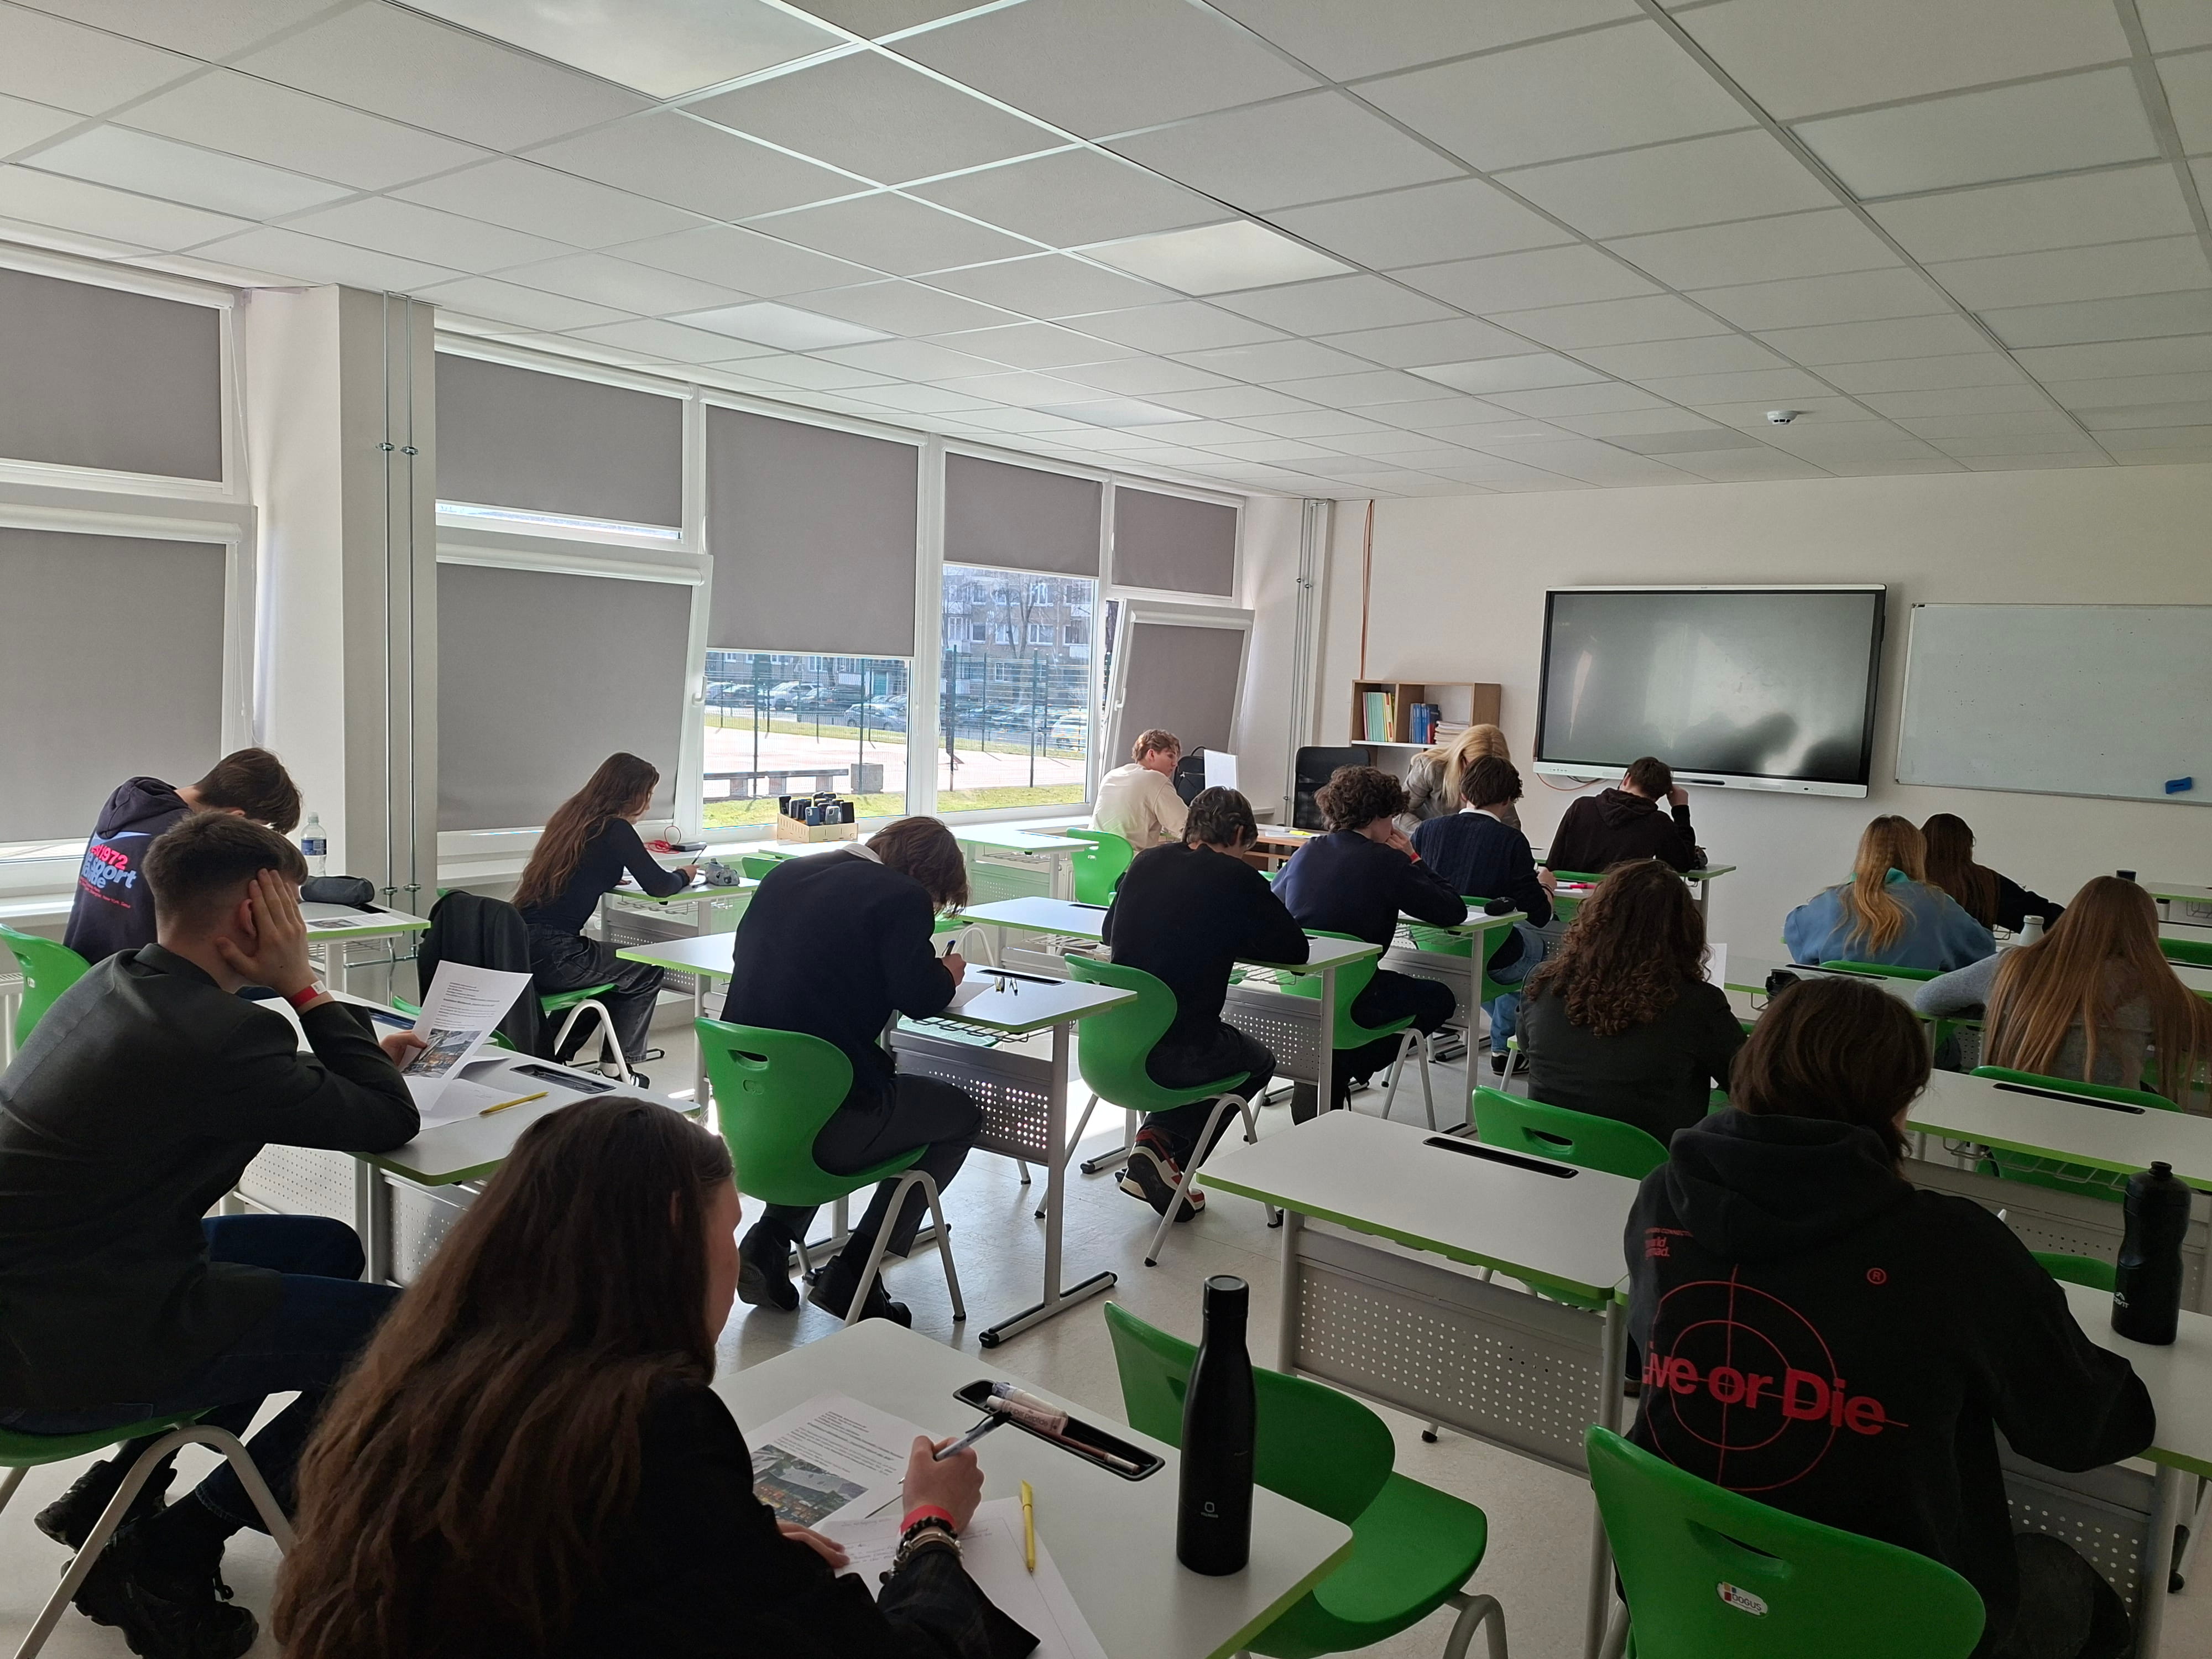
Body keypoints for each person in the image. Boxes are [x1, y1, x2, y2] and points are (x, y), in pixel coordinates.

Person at [272, 1095, 1034, 1659]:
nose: (732, 1260)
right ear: (675, 1226)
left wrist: (731, 1549)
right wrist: (928, 1526)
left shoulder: (437, 1364)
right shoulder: (652, 1424)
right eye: (729, 1229)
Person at [1627, 977, 2150, 1659]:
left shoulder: (1662, 1197)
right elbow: (2082, 1431)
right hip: (1892, 1627)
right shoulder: (1953, 1246)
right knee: (2078, 1592)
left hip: (1687, 1588)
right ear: (1896, 1101)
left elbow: (1650, 1346)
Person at [0, 813, 421, 1658]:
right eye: (292, 911)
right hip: (67, 1348)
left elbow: (239, 1079)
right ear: (255, 916)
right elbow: (388, 1118)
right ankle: (171, 1551)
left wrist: (351, 1058)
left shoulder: (121, 980)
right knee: (413, 1341)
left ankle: (115, 1491)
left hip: (49, 1299)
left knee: (325, 1248)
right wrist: (307, 989)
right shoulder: (223, 1034)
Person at [719, 816, 982, 1326]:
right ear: (925, 876)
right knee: (959, 1116)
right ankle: (857, 1272)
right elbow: (919, 998)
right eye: (936, 899)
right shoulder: (901, 896)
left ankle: (767, 1243)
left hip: (753, 1109)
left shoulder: (788, 873)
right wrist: (945, 974)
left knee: (814, 1099)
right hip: (833, 1116)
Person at [1102, 788, 1308, 1217]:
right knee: (1257, 1062)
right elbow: (1295, 949)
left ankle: (1156, 1150)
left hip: (1113, 1043)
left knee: (1211, 1047)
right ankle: (1165, 1157)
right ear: (1236, 834)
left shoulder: (1145, 861)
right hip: (1179, 1051)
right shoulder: (1233, 875)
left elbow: (1109, 931)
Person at [1272, 766, 1466, 1118]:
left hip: (1299, 993)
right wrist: (1414, 858)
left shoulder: (1307, 851)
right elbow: (1453, 911)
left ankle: (1331, 1064)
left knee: (1359, 1001)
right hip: (1358, 997)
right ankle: (1345, 1063)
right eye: (1391, 817)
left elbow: (1275, 905)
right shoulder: (1388, 861)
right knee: (1441, 998)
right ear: (1378, 817)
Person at [1917, 876, 2212, 1102]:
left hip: (2010, 1131)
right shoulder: (2156, 987)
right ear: (2146, 931)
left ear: (2073, 918)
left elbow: (1927, 999)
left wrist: (1993, 1005)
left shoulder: (2010, 966)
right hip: (2112, 1140)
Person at [1518, 859, 1745, 1144]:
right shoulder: (1698, 1004)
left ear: (1595, 918)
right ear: (1686, 931)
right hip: (1652, 1167)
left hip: (1548, 1157)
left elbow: (1527, 1048)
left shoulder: (1542, 983)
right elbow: (1749, 1084)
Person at [513, 753, 695, 1074]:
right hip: (557, 955)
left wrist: (607, 876)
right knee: (646, 970)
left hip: (519, 948)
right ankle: (617, 1071)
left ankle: (552, 1057)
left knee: (612, 976)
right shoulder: (615, 828)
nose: (649, 804)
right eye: (648, 794)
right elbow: (660, 886)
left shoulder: (570, 818)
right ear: (631, 794)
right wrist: (685, 874)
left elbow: (577, 870)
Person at [64, 747, 302, 963]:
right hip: (133, 978)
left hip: (86, 970)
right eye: (257, 828)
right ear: (236, 818)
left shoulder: (133, 807)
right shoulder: (182, 840)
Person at [1410, 757, 1556, 1077]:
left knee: (1501, 949)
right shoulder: (1511, 841)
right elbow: (1540, 915)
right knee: (1536, 948)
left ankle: (1499, 1035)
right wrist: (1546, 886)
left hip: (1430, 952)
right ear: (1508, 800)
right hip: (1486, 954)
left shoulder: (1425, 831)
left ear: (1463, 793)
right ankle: (1504, 1046)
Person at [1783, 815, 1995, 971]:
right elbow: (1983, 951)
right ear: (1918, 855)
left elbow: (1797, 937)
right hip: (1912, 1016)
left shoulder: (1830, 903)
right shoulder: (1939, 905)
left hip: (1839, 1012)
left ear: (1865, 852)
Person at [1541, 755, 1703, 876]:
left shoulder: (1581, 806)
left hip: (1567, 901)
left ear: (1627, 779)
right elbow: (1682, 865)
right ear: (1660, 795)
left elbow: (1553, 863)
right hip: (1619, 907)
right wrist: (1681, 809)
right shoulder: (1658, 822)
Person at [1921, 813, 2066, 935]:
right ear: (1967, 846)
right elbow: (2040, 914)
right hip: (1974, 959)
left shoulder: (1913, 880)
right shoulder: (1985, 882)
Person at [1400, 723, 1517, 831]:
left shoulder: (1498, 779)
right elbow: (1399, 813)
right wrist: (1430, 834)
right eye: (1473, 768)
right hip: (1425, 842)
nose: (1481, 777)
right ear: (1460, 757)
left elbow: (1512, 827)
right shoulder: (1431, 768)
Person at [1089, 728, 1187, 849]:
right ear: (1151, 754)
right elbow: (1188, 828)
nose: (1175, 764)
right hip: (1130, 859)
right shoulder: (1156, 780)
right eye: (1170, 756)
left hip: (1094, 856)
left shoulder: (1111, 775)